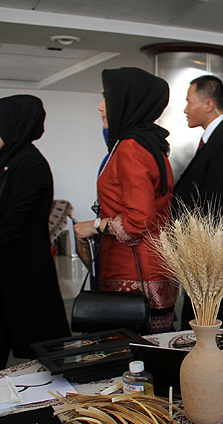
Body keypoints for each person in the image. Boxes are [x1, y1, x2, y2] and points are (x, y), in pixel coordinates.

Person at [0, 94, 70, 383]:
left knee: (46, 354)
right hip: (7, 271)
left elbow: (12, 225)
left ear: (11, 124)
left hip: (26, 274)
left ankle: (66, 399)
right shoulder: (5, 163)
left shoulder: (30, 164)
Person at [74, 67, 178, 333]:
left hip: (133, 271)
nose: (100, 107)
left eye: (106, 98)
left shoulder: (131, 147)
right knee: (152, 347)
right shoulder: (149, 143)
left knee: (132, 349)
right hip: (151, 266)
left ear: (127, 101)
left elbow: (137, 221)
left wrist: (93, 226)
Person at [172, 74, 223, 329]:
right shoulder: (217, 138)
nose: (185, 110)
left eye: (189, 102)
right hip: (209, 258)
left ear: (208, 104)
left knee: (220, 323)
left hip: (217, 259)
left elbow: (217, 204)